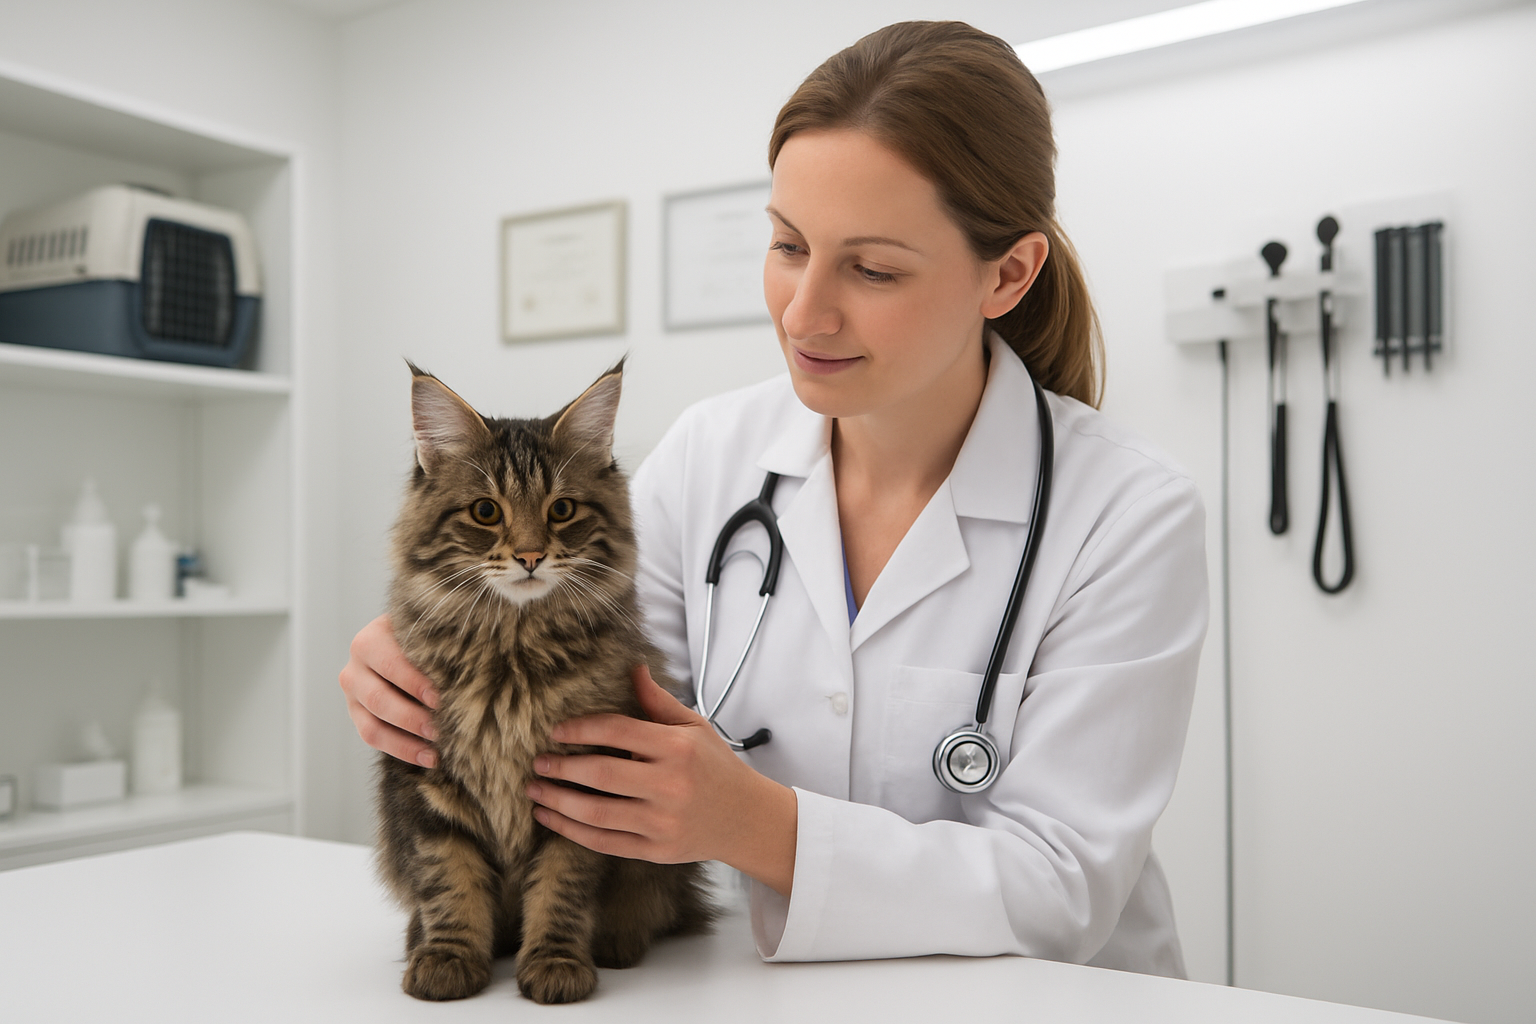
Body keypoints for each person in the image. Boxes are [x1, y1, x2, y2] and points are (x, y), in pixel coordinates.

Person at [340, 20, 1207, 977]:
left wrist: (758, 826)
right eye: (789, 245)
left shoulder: (1129, 513)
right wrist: (418, 651)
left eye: (872, 268)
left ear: (1007, 274)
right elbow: (597, 679)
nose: (803, 313)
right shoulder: (709, 456)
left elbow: (1063, 889)